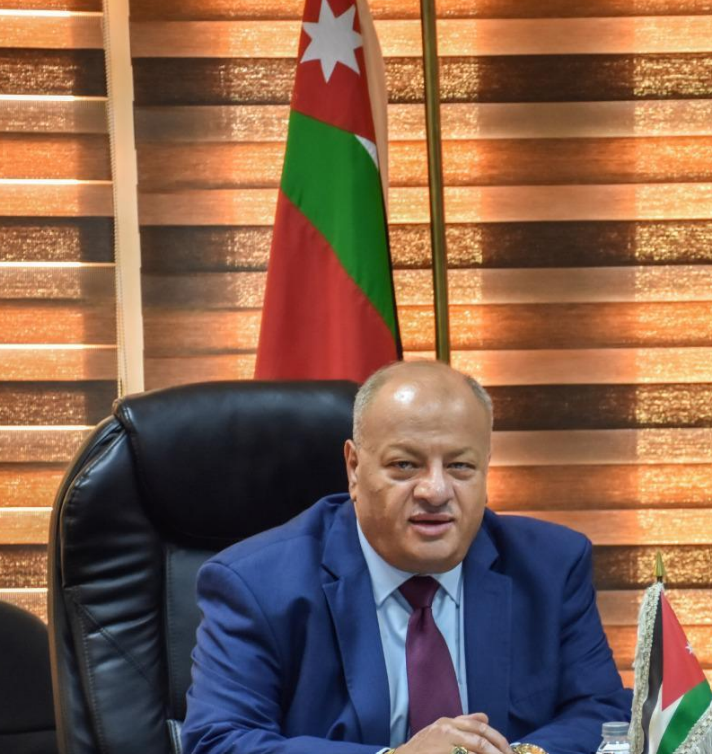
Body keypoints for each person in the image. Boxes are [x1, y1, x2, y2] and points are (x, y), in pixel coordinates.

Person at [182, 361, 632, 754]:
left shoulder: (552, 567)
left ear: (486, 468)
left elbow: (603, 712)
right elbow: (219, 741)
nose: (435, 491)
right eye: (405, 465)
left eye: (460, 466)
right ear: (354, 468)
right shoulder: (256, 585)